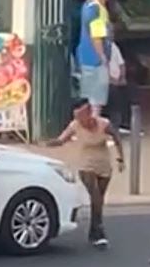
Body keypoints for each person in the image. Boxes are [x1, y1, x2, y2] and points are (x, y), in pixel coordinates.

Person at [46, 98, 125, 247]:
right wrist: (50, 143)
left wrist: (121, 158)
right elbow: (62, 139)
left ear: (89, 112)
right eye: (77, 117)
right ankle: (99, 230)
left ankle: (93, 230)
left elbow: (116, 137)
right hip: (85, 165)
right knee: (95, 195)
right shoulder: (75, 126)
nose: (80, 120)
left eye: (82, 116)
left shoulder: (103, 124)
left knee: (99, 199)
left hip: (103, 165)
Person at [76, 0, 114, 117]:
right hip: (94, 59)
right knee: (96, 98)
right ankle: (93, 127)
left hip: (88, 57)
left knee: (93, 96)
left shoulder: (91, 6)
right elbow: (96, 36)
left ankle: (91, 126)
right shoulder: (95, 9)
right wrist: (102, 56)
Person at [106, 41, 131, 134]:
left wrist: (123, 78)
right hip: (105, 81)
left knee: (132, 90)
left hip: (118, 80)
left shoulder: (113, 46)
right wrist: (111, 80)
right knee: (114, 92)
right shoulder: (98, 47)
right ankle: (114, 126)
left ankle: (126, 125)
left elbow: (122, 64)